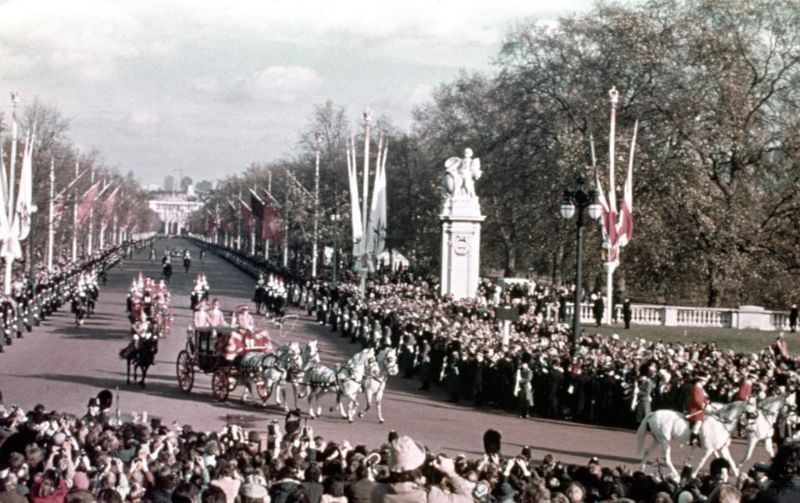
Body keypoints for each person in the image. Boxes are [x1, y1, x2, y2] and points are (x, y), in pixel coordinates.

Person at [686, 374, 710, 447]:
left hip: (700, 408)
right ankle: (692, 440)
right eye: (704, 381)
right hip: (695, 409)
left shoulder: (701, 388)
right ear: (700, 381)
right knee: (698, 422)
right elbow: (696, 399)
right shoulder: (696, 388)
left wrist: (706, 402)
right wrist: (702, 405)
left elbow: (705, 397)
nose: (705, 382)